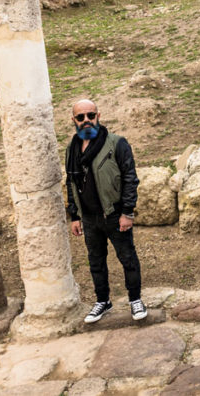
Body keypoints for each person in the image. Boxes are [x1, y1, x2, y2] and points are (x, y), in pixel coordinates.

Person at [64, 99, 147, 323]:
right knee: (96, 262)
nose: (86, 121)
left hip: (114, 214)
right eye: (80, 117)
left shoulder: (117, 143)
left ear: (98, 116)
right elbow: (71, 183)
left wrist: (127, 212)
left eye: (90, 115)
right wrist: (75, 215)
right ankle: (103, 301)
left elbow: (130, 179)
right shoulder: (72, 149)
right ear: (74, 120)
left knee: (127, 258)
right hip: (90, 219)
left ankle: (135, 300)